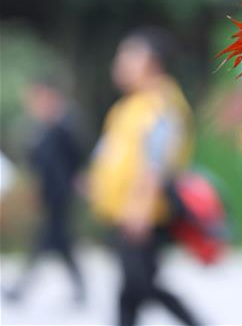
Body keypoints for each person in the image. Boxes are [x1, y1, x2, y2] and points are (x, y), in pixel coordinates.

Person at [88, 29, 200, 326]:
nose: (118, 63)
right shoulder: (128, 106)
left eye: (126, 56)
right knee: (132, 288)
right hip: (123, 213)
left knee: (140, 285)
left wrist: (140, 209)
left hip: (144, 215)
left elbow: (157, 163)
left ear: (151, 61)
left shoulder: (161, 104)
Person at [3, 76, 86, 304]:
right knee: (60, 244)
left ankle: (20, 289)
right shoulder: (41, 125)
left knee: (45, 241)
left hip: (63, 194)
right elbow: (37, 160)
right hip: (49, 193)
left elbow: (77, 155)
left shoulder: (65, 121)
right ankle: (79, 287)